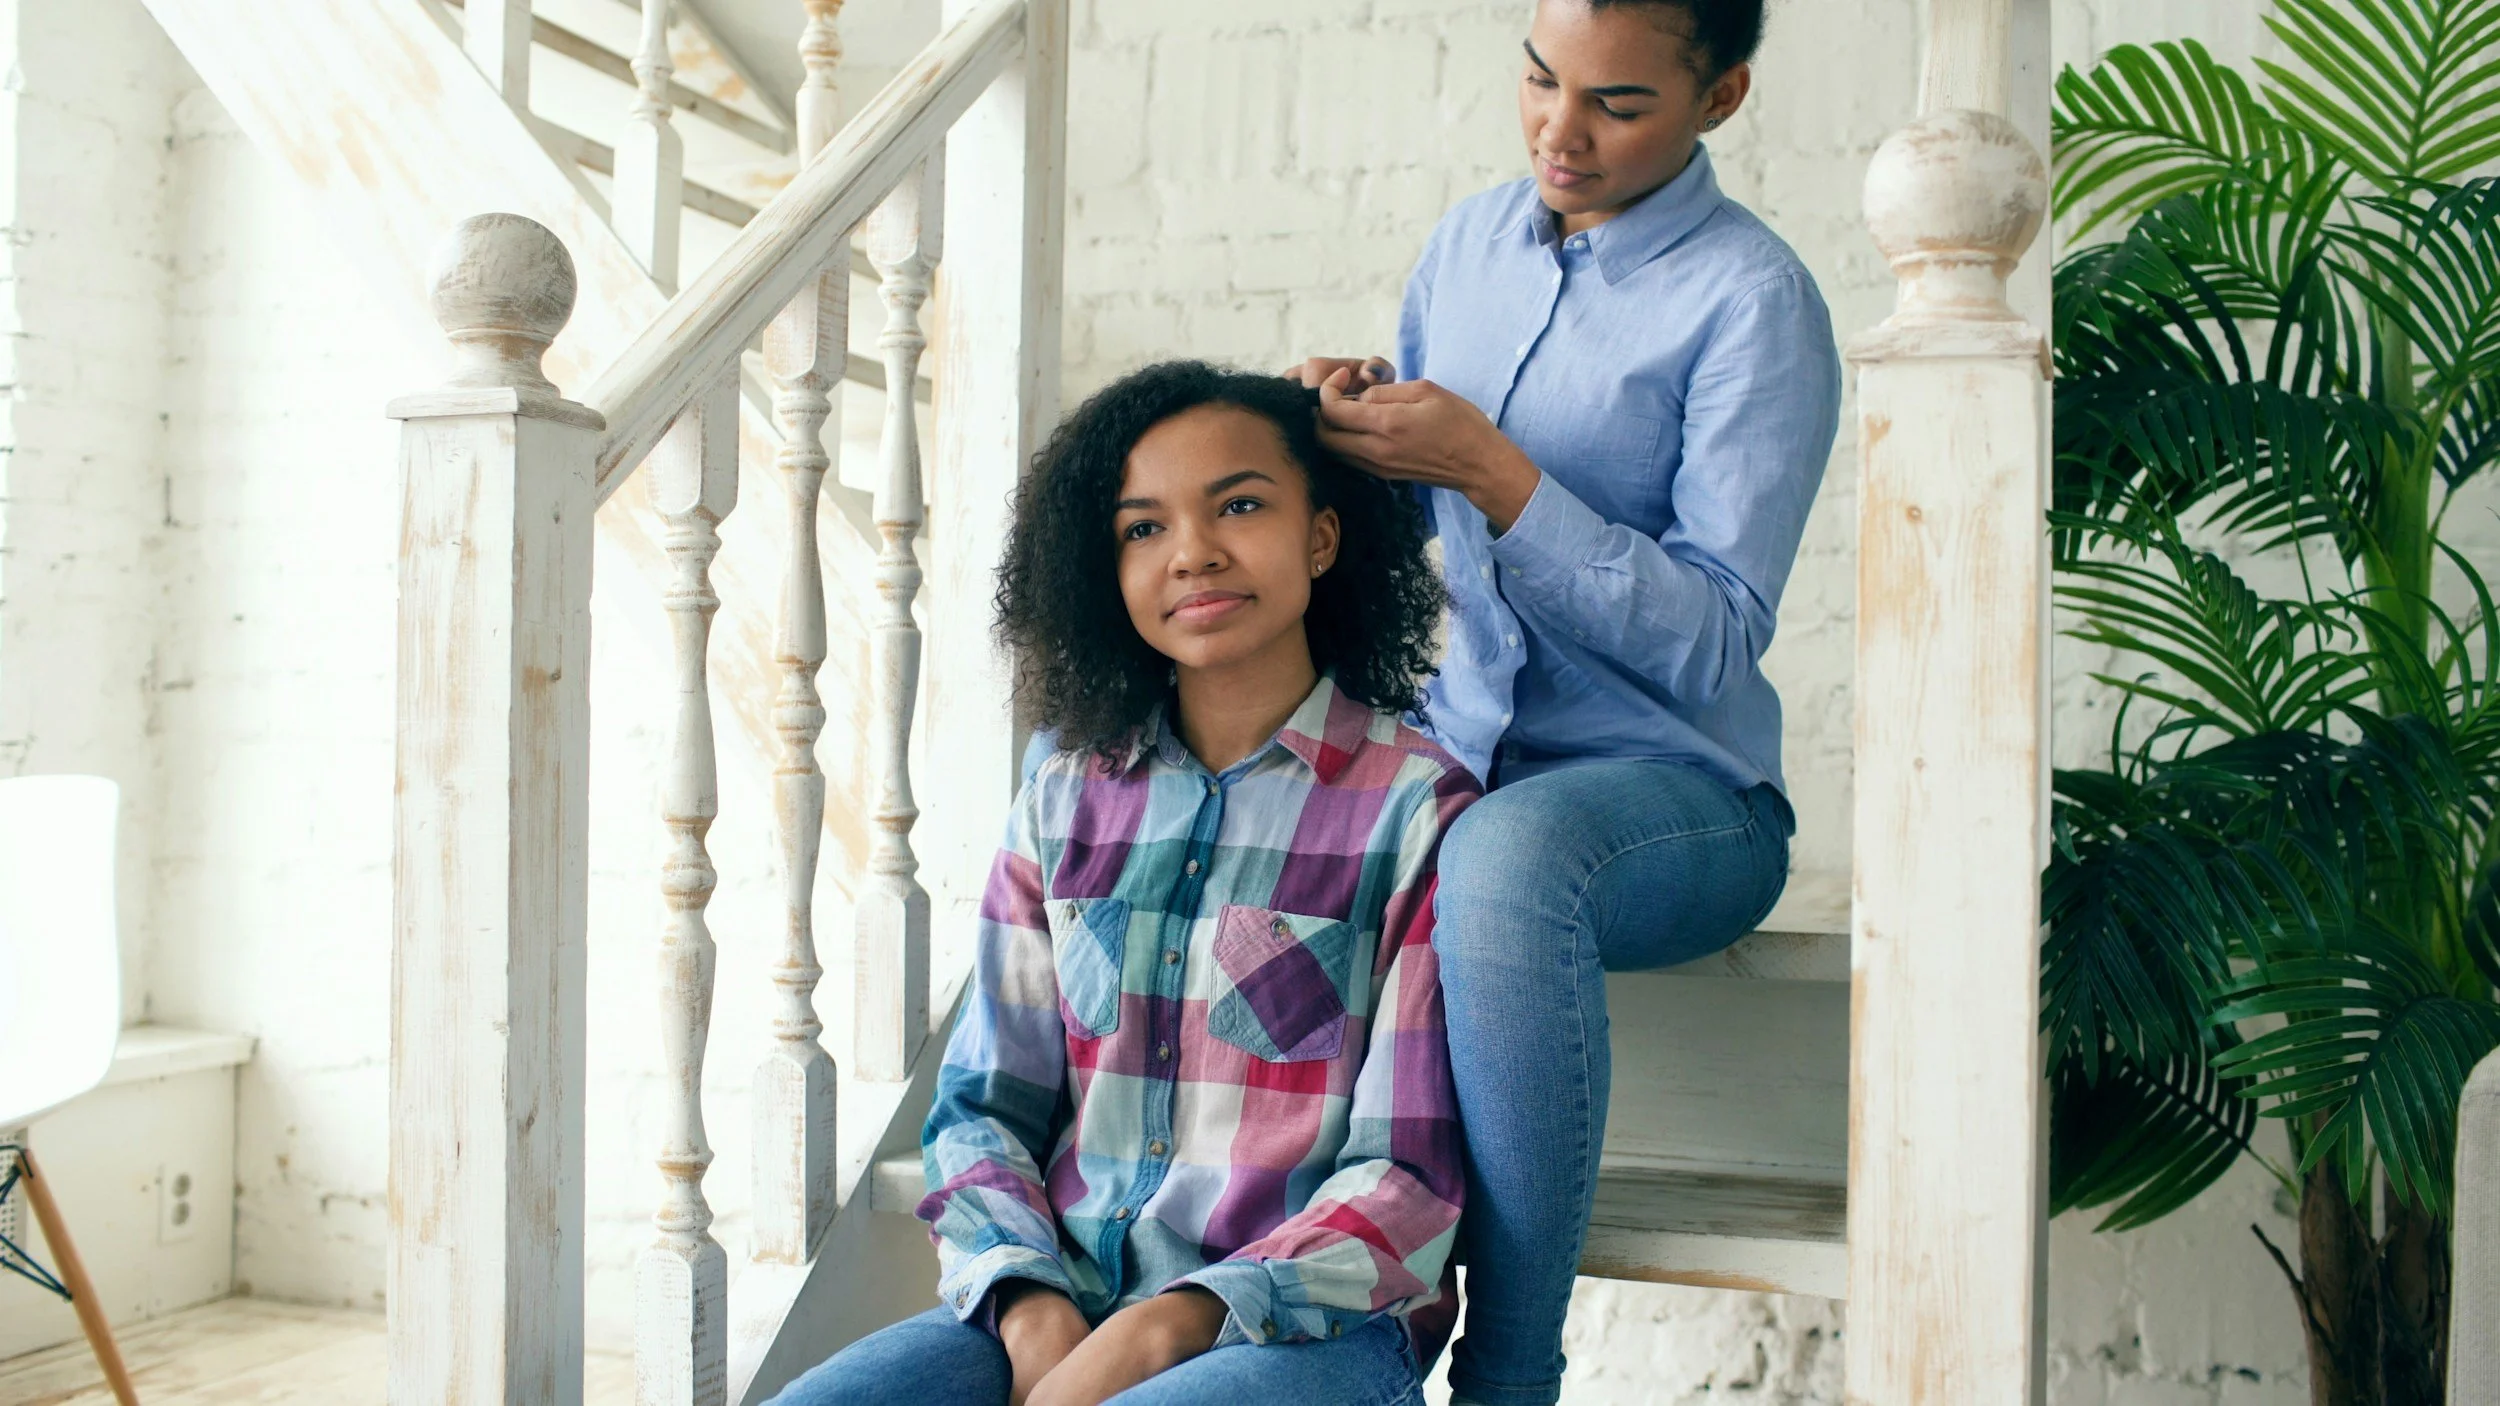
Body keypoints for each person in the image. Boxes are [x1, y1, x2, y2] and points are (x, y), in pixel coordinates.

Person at [1286, 1, 1843, 1402]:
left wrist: (1498, 473)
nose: (1560, 129)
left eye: (1618, 103)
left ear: (1719, 100)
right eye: (1540, 80)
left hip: (1676, 800)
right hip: (1462, 756)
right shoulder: (1469, 244)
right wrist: (1349, 428)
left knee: (1502, 855)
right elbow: (1423, 533)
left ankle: (1512, 1364)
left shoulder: (1753, 302)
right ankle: (1292, 1314)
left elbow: (1715, 635)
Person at [766, 362, 1477, 1406]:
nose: (1192, 551)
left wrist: (1158, 1329)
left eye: (1238, 504)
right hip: (1060, 1294)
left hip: (1306, 1328)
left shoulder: (1419, 808)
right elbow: (979, 1113)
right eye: (1143, 528)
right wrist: (1027, 1300)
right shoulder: (1060, 802)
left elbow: (1406, 1178)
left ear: (1321, 537)